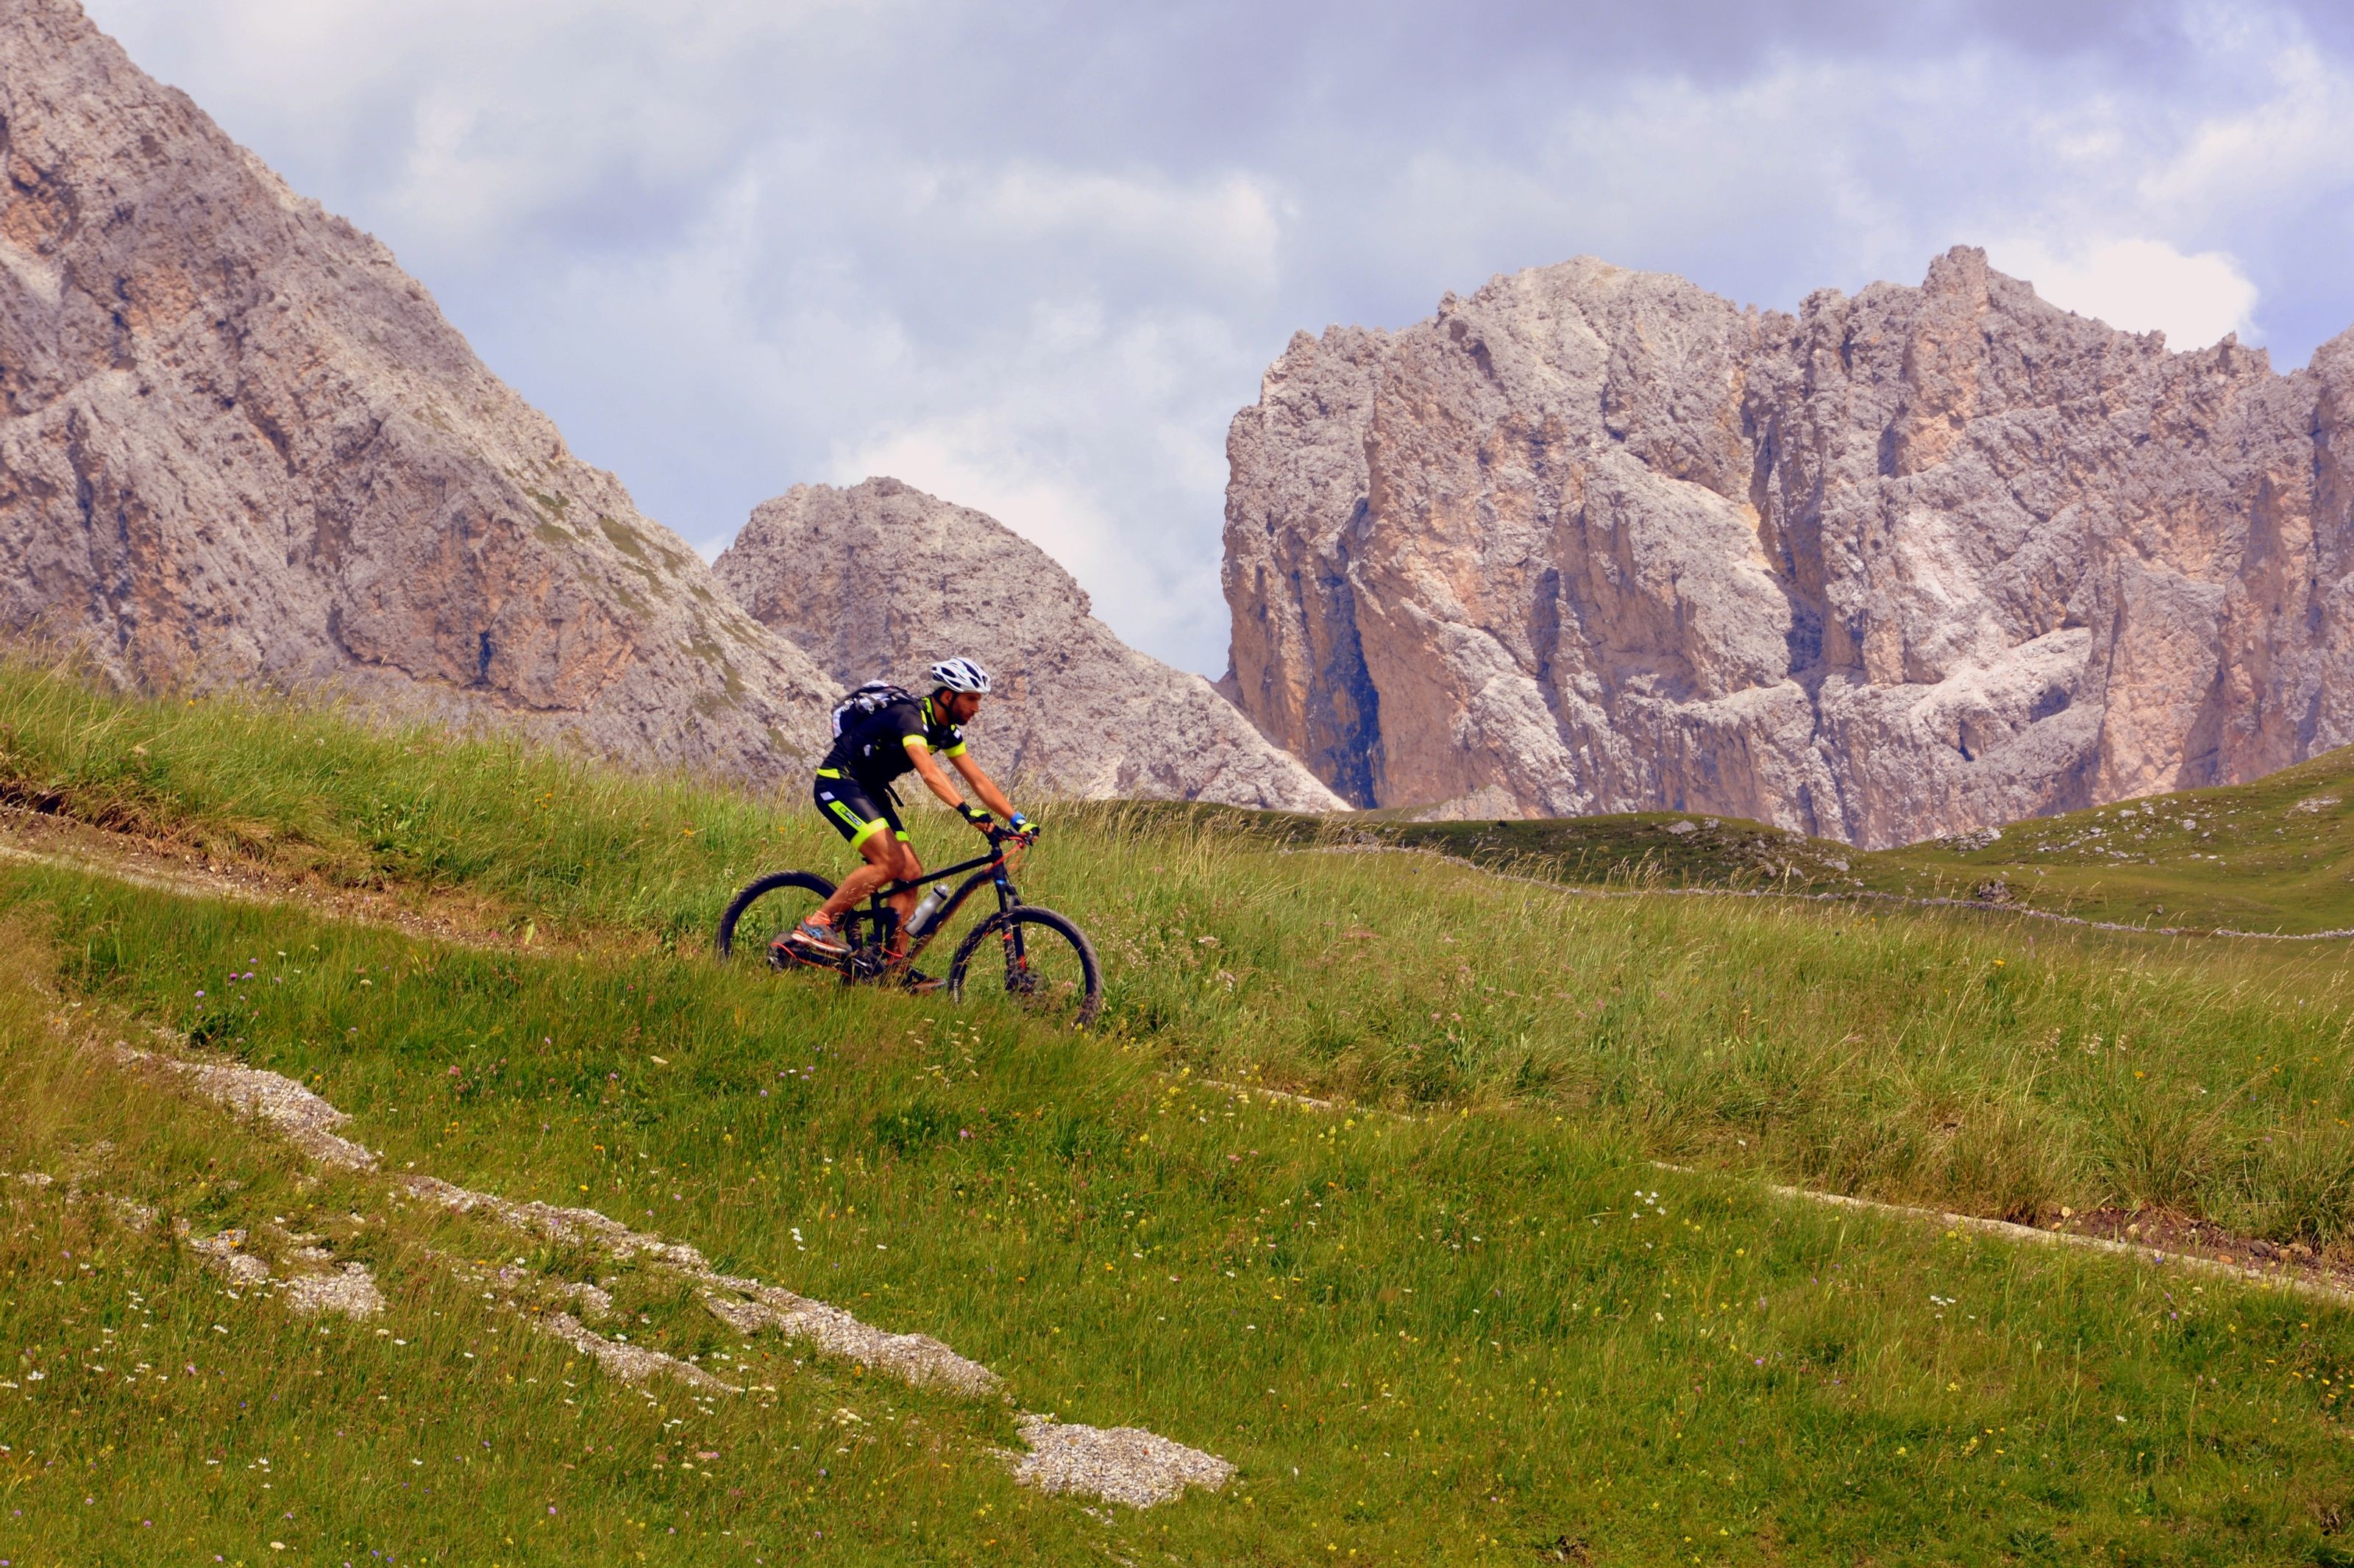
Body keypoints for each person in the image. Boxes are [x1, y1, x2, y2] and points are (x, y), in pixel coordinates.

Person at [781, 657, 1028, 976]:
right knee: (888, 863)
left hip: (869, 789)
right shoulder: (910, 718)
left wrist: (1018, 819)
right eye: (971, 698)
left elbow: (978, 780)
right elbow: (929, 772)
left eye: (978, 700)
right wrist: (967, 811)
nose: (976, 708)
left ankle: (891, 968)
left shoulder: (946, 732)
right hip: (838, 782)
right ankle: (816, 924)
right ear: (947, 695)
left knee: (910, 873)